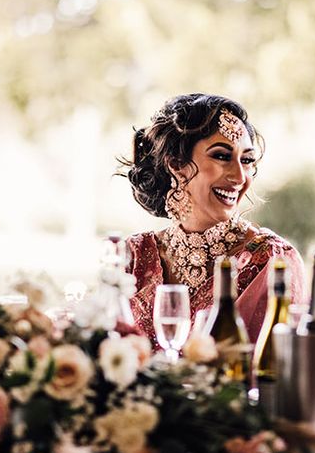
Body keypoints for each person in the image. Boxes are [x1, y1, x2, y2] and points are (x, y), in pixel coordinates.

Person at [121, 93, 305, 345]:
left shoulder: (272, 260)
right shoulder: (133, 257)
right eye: (221, 156)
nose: (240, 176)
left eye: (247, 160)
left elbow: (281, 370)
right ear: (176, 164)